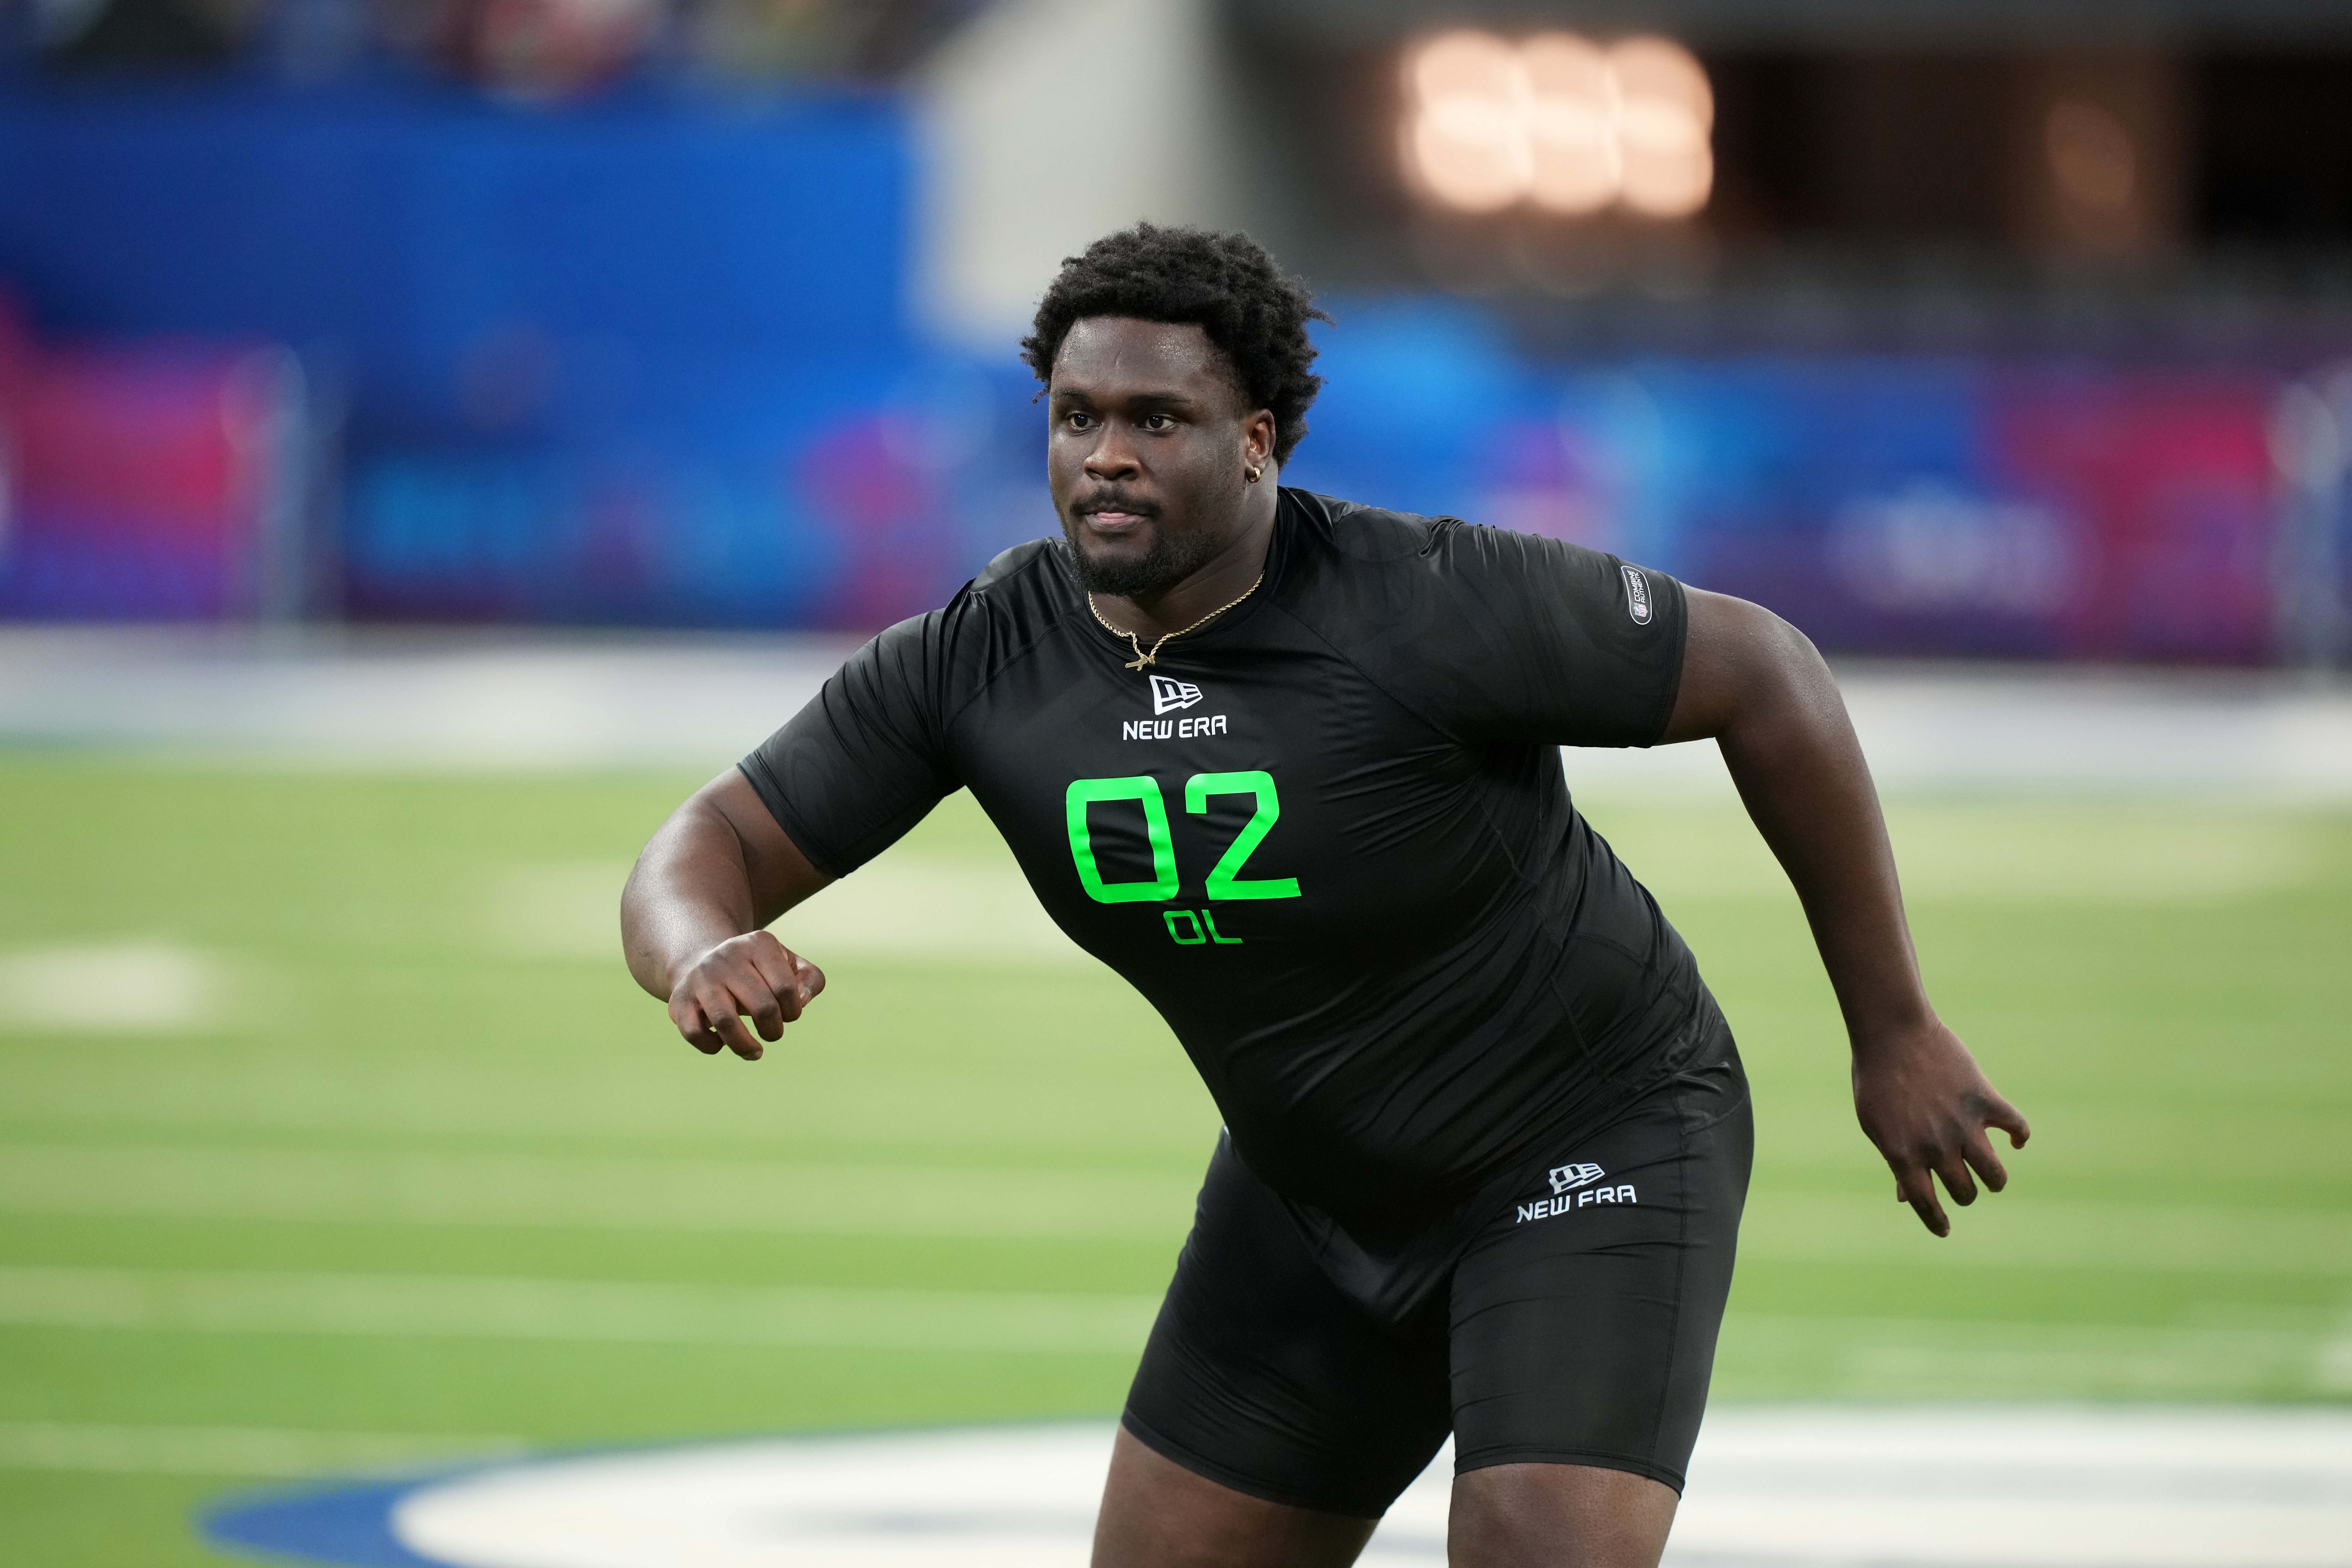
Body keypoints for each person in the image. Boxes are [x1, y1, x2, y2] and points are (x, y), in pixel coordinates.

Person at [620, 223, 2030, 1568]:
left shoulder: (1415, 601)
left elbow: (1765, 670)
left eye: (1157, 421)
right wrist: (701, 947)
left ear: (1258, 442)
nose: (1106, 457)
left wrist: (1892, 1024)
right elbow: (706, 843)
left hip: (1587, 1140)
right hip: (1312, 1193)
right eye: (1076, 416)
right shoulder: (988, 652)